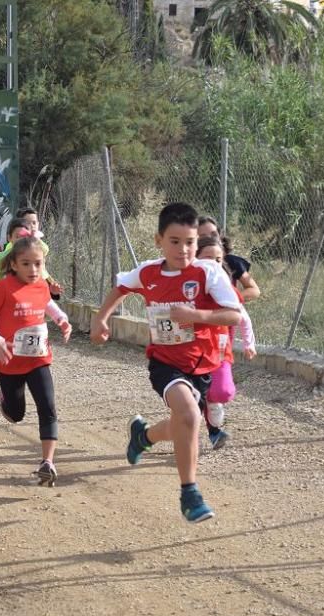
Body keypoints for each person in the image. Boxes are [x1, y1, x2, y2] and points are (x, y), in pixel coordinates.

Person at [90, 202, 242, 523]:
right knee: (189, 415)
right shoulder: (147, 272)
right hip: (164, 363)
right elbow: (120, 289)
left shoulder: (207, 272)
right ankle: (190, 494)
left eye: (190, 242)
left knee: (182, 424)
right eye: (175, 241)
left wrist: (196, 315)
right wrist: (101, 319)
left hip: (201, 364)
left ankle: (143, 436)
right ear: (159, 240)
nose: (184, 250)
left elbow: (234, 314)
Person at [0, 236, 72, 486]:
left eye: (38, 264)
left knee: (48, 406)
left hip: (39, 359)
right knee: (16, 415)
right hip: (9, 361)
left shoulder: (41, 285)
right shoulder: (4, 288)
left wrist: (62, 320)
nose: (33, 270)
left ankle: (47, 462)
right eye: (26, 264)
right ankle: (4, 398)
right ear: (15, 264)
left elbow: (48, 305)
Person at [196, 235, 256, 449]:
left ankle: (212, 411)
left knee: (222, 391)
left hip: (219, 350)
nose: (213, 264)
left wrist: (249, 343)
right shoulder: (185, 283)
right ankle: (197, 436)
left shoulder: (226, 286)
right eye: (207, 258)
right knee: (192, 399)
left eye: (218, 259)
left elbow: (243, 315)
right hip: (190, 353)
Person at [197, 215, 260, 302]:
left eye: (214, 235)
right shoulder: (190, 264)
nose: (210, 239)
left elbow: (254, 290)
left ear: (220, 237)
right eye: (203, 237)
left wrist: (230, 299)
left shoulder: (230, 261)